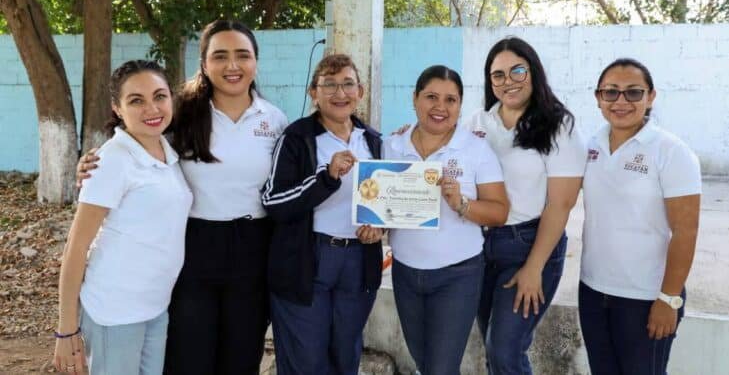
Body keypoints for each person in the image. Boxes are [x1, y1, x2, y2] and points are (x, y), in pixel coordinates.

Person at [76, 20, 288, 374]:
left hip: (253, 248)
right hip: (193, 247)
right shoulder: (182, 114)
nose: (232, 66)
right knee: (189, 354)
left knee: (241, 354)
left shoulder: (275, 120)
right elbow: (137, 142)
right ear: (204, 64)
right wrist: (90, 163)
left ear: (256, 61)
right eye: (219, 56)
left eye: (242, 55)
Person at [54, 60, 192, 375]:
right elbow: (76, 247)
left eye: (159, 96)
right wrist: (66, 329)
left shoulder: (167, 152)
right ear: (117, 108)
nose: (152, 108)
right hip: (114, 311)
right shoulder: (112, 160)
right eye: (136, 100)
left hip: (155, 307)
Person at [465, 37, 587, 374]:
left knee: (505, 350)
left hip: (530, 245)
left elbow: (561, 204)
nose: (508, 82)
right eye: (498, 75)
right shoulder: (477, 122)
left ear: (533, 71)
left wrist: (534, 268)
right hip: (479, 246)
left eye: (517, 70)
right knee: (495, 350)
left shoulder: (559, 125)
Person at [261, 53, 384, 375]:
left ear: (361, 91)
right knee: (306, 359)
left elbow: (387, 201)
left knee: (345, 354)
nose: (339, 93)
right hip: (307, 259)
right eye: (328, 84)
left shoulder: (373, 141)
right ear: (313, 93)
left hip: (358, 261)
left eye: (347, 84)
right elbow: (274, 202)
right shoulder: (296, 138)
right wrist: (326, 178)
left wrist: (379, 228)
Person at [385, 65, 509, 375]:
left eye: (451, 100)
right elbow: (381, 206)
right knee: (424, 363)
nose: (440, 107)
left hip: (458, 275)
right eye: (431, 97)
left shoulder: (475, 149)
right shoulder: (392, 146)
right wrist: (373, 223)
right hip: (405, 272)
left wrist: (462, 204)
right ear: (415, 99)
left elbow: (499, 211)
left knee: (440, 368)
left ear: (460, 105)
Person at [579, 58, 701, 374]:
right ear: (598, 98)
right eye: (611, 93)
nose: (621, 101)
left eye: (633, 93)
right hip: (593, 291)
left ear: (650, 97)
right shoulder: (591, 145)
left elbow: (685, 231)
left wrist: (669, 298)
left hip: (646, 297)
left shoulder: (671, 152)